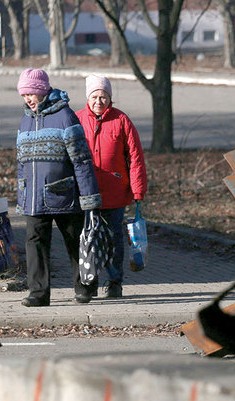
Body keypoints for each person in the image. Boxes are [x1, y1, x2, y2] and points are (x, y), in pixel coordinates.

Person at [16, 68, 102, 307]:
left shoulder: (66, 116)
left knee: (75, 241)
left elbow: (81, 160)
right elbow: (21, 163)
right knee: (34, 243)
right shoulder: (25, 121)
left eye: (31, 94)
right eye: (24, 95)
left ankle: (84, 287)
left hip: (64, 195)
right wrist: (22, 194)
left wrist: (89, 197)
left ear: (42, 91)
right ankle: (38, 293)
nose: (28, 99)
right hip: (34, 197)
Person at [76, 75, 147, 298]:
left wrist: (138, 190)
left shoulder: (121, 120)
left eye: (104, 97)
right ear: (88, 97)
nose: (99, 101)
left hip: (115, 192)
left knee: (114, 239)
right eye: (95, 96)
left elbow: (135, 157)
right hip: (86, 192)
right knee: (89, 239)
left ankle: (115, 281)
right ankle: (90, 281)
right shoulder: (76, 119)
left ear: (110, 98)